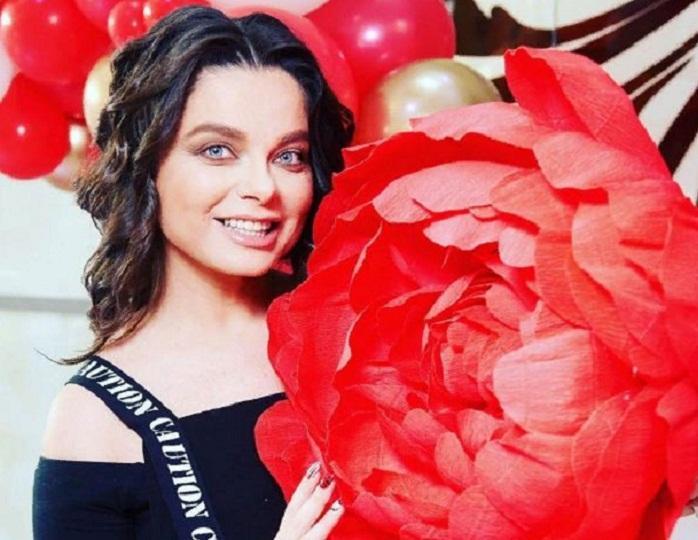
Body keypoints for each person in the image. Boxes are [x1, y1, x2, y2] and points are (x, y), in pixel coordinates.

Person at [32, 6, 354, 539]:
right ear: (147, 166)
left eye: (289, 156)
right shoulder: (94, 422)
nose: (263, 188)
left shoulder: (359, 334)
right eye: (217, 150)